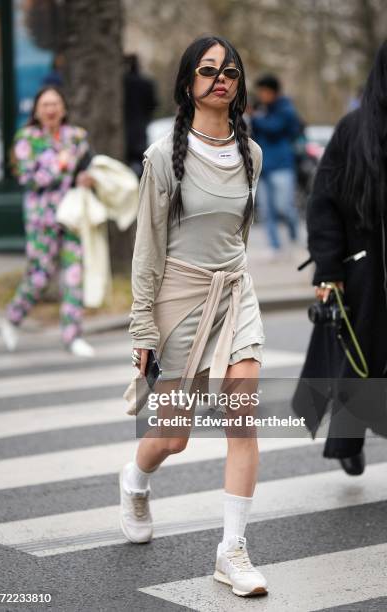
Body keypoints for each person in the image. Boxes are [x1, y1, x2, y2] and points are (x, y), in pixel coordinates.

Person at [120, 36, 268, 598]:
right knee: (172, 438)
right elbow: (147, 250)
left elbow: (239, 238)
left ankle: (231, 551)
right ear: (189, 84)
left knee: (242, 417)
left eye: (230, 70)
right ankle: (135, 480)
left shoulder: (251, 154)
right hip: (179, 301)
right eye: (208, 71)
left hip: (235, 294)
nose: (221, 79)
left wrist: (239, 284)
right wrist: (142, 329)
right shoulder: (162, 157)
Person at [292, 40, 387, 475]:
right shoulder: (354, 130)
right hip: (365, 271)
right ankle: (348, 441)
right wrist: (329, 267)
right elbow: (323, 201)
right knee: (360, 364)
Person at [1, 86, 96, 357]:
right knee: (39, 277)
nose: (51, 109)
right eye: (45, 104)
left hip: (71, 216)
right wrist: (60, 165)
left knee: (74, 274)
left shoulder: (77, 137)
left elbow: (89, 167)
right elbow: (28, 179)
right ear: (37, 111)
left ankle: (73, 336)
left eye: (55, 103)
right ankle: (13, 317)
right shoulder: (26, 139)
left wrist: (85, 178)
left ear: (64, 108)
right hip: (41, 220)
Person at [251, 74, 301, 259]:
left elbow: (275, 128)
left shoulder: (286, 109)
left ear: (273, 91)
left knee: (285, 206)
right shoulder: (261, 110)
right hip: (264, 167)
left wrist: (255, 118)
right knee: (266, 209)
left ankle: (295, 238)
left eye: (263, 91)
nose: (261, 95)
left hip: (282, 166)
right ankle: (274, 245)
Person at [123, 54, 158, 177]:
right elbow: (153, 104)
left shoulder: (122, 83)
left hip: (126, 127)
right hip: (140, 127)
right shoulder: (146, 83)